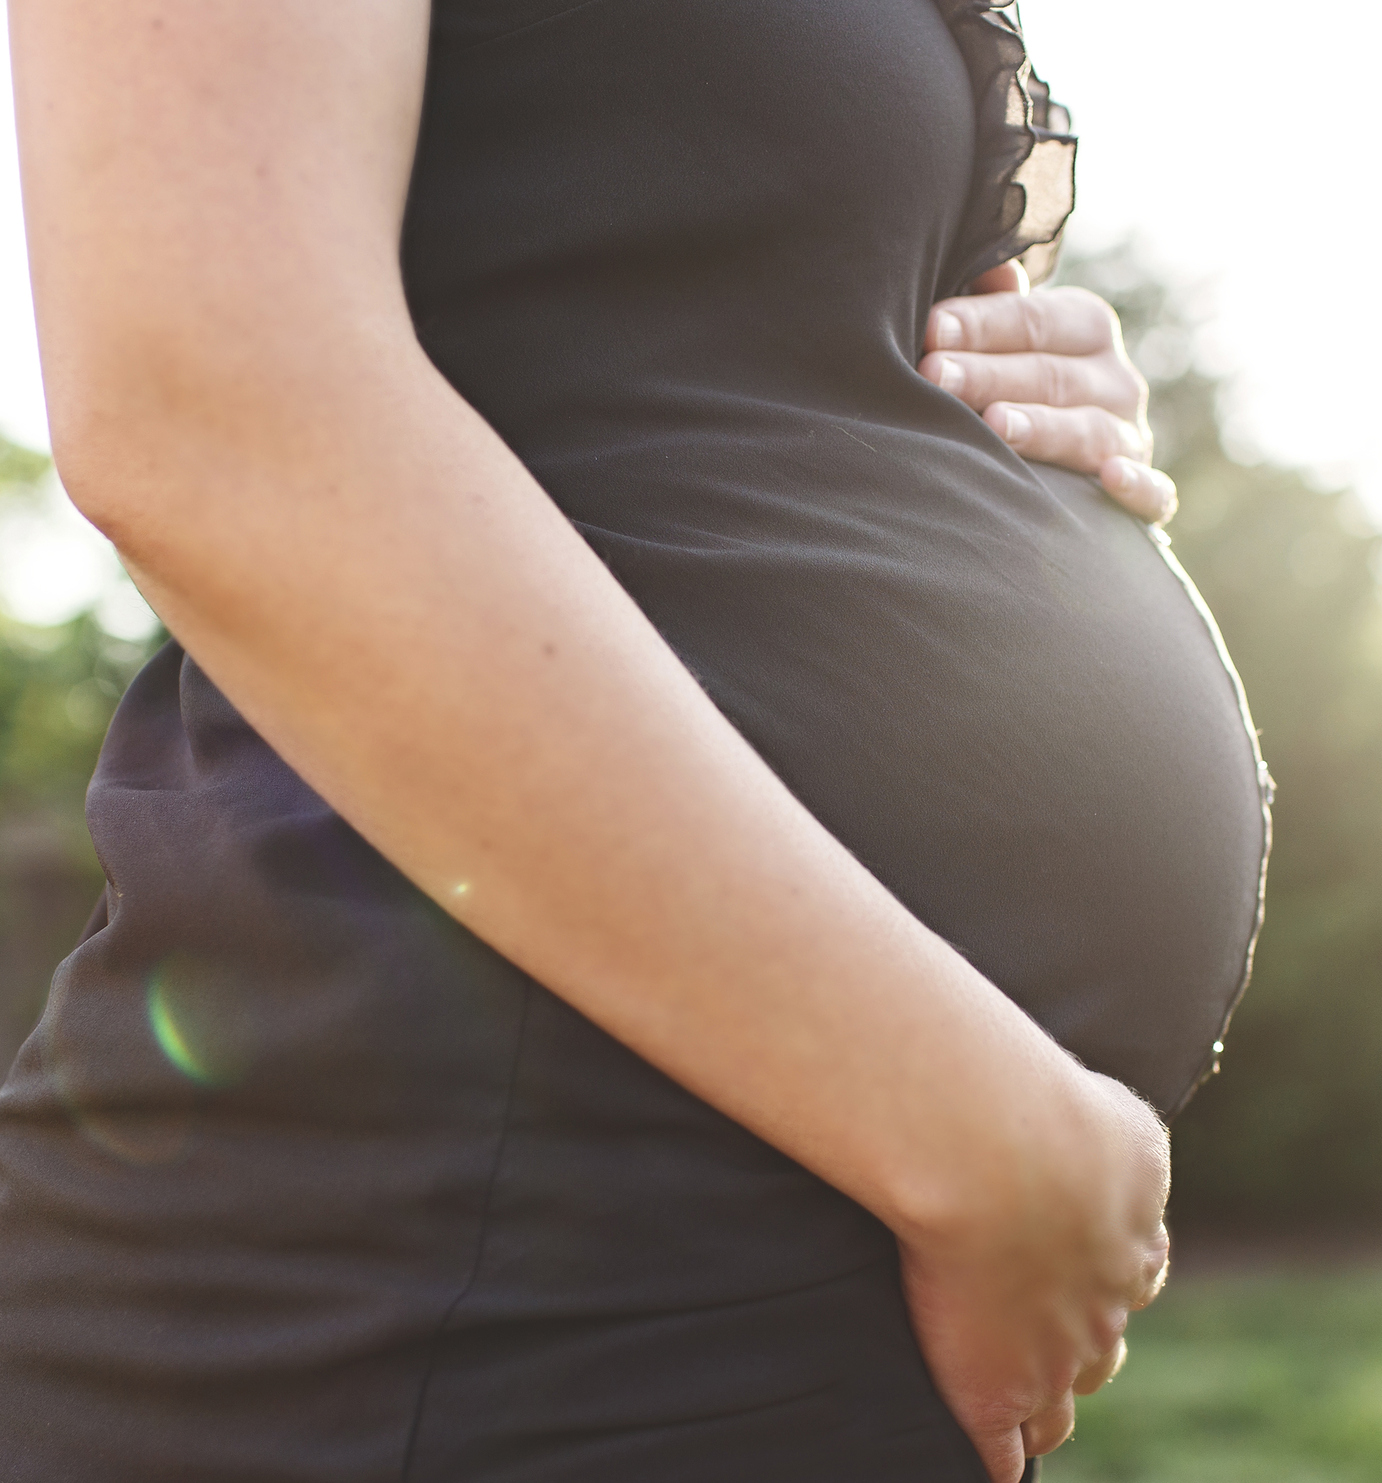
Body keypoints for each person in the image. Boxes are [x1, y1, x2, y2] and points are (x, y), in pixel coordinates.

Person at [0, 2, 1271, 1480]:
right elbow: (205, 405)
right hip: (467, 1269)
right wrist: (984, 1140)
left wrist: (970, 387)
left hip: (713, 1266)